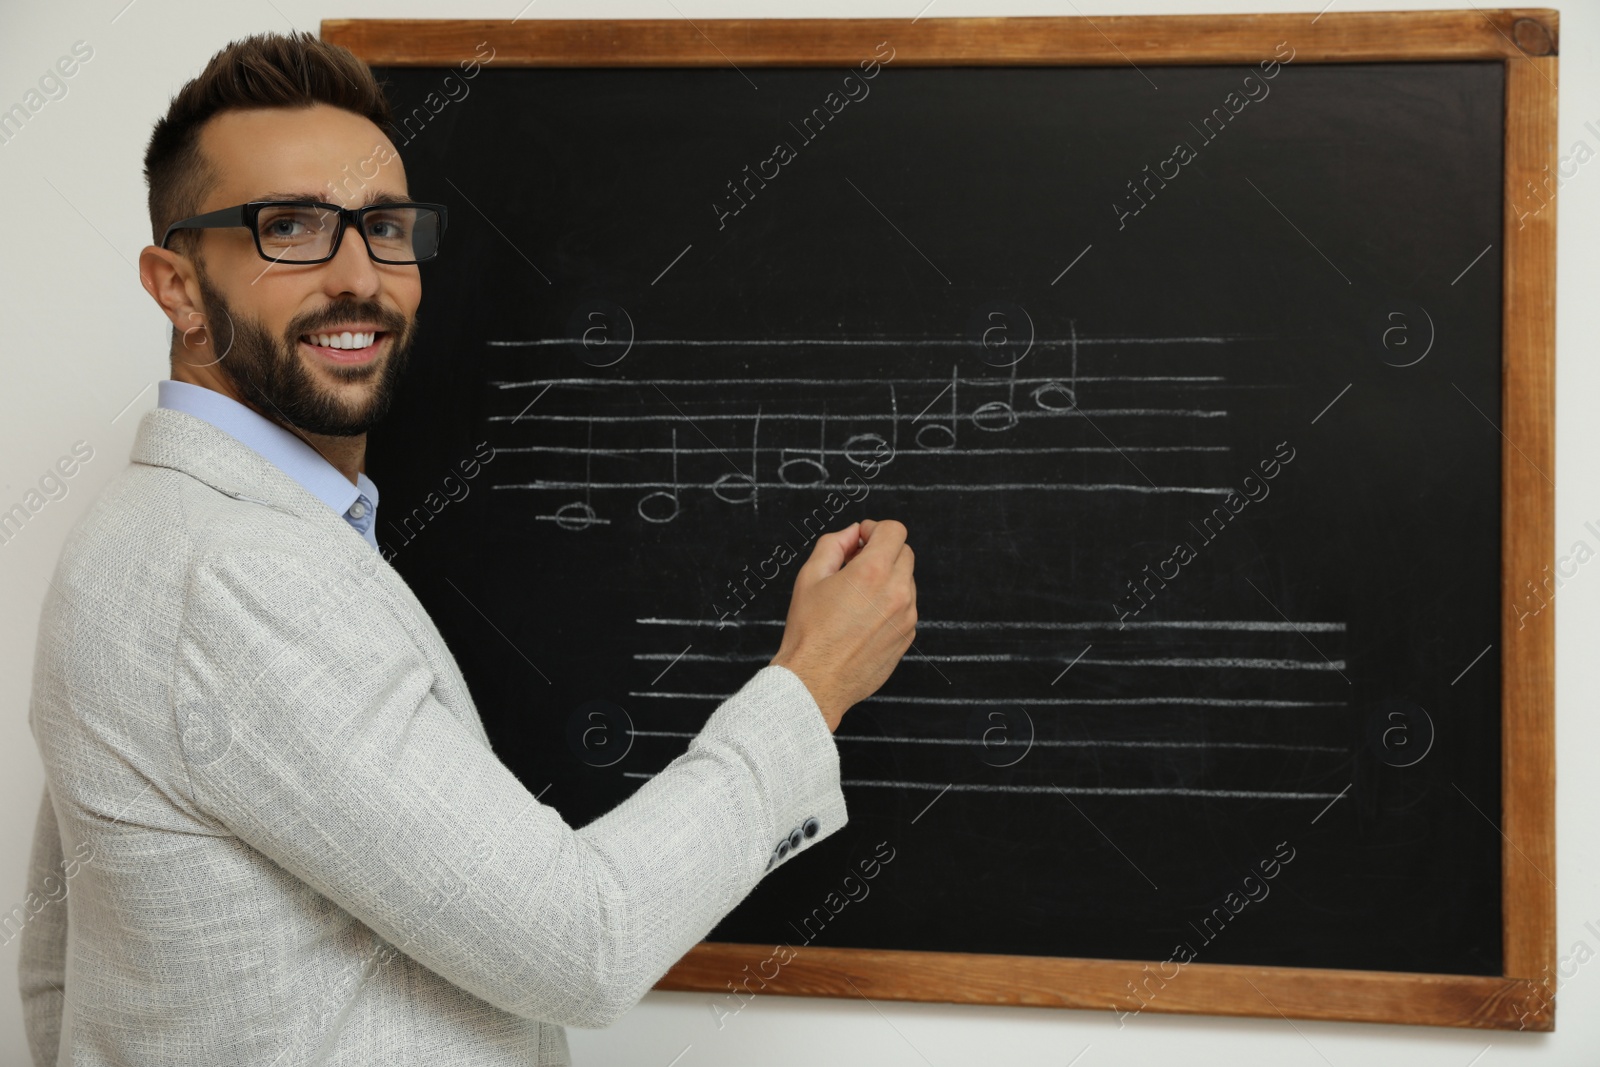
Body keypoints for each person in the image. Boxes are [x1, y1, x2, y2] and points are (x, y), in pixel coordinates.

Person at [17, 31, 916, 1066]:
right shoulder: (238, 572)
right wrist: (810, 686)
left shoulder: (140, 533)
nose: (359, 277)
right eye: (292, 227)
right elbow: (582, 940)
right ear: (176, 284)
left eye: (385, 228)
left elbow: (62, 965)